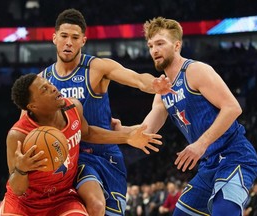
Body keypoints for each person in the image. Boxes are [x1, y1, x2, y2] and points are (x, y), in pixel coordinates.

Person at [39, 8, 173, 216]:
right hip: (73, 158)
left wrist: (154, 84)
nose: (69, 42)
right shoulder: (43, 81)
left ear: (83, 40)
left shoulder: (96, 68)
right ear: (54, 37)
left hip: (107, 155)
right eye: (64, 36)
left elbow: (137, 79)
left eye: (75, 37)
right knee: (95, 206)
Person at [140, 17, 257, 215]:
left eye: (160, 43)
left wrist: (201, 144)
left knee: (224, 211)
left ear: (177, 45)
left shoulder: (195, 70)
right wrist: (120, 131)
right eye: (151, 45)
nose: (154, 50)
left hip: (234, 156)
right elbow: (147, 130)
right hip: (208, 164)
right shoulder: (162, 88)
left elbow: (232, 107)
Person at [0, 74, 163, 216]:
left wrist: (126, 137)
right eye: (44, 90)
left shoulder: (73, 107)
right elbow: (17, 189)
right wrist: (22, 169)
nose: (53, 88)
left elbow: (88, 133)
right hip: (25, 204)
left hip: (61, 198)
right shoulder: (19, 134)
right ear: (32, 106)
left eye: (49, 84)